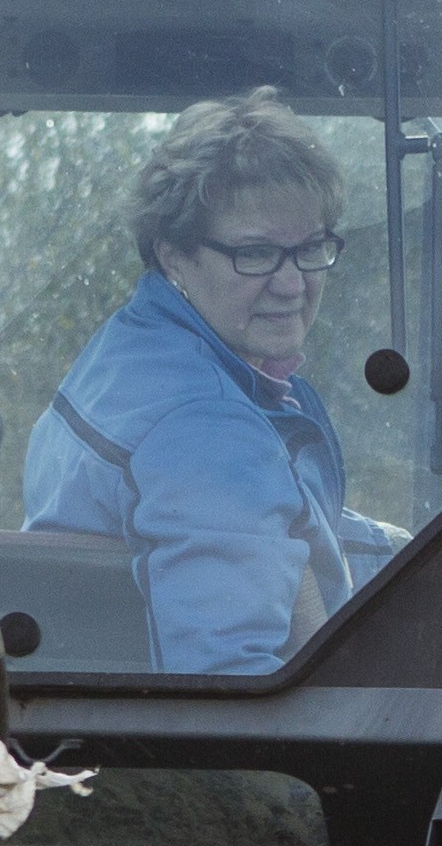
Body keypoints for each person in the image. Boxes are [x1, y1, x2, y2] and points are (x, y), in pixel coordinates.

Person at [27, 98, 406, 672]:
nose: (292, 284)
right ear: (174, 256)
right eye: (255, 253)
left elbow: (255, 518)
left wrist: (409, 557)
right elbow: (227, 680)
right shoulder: (206, 428)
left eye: (309, 250)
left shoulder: (133, 353)